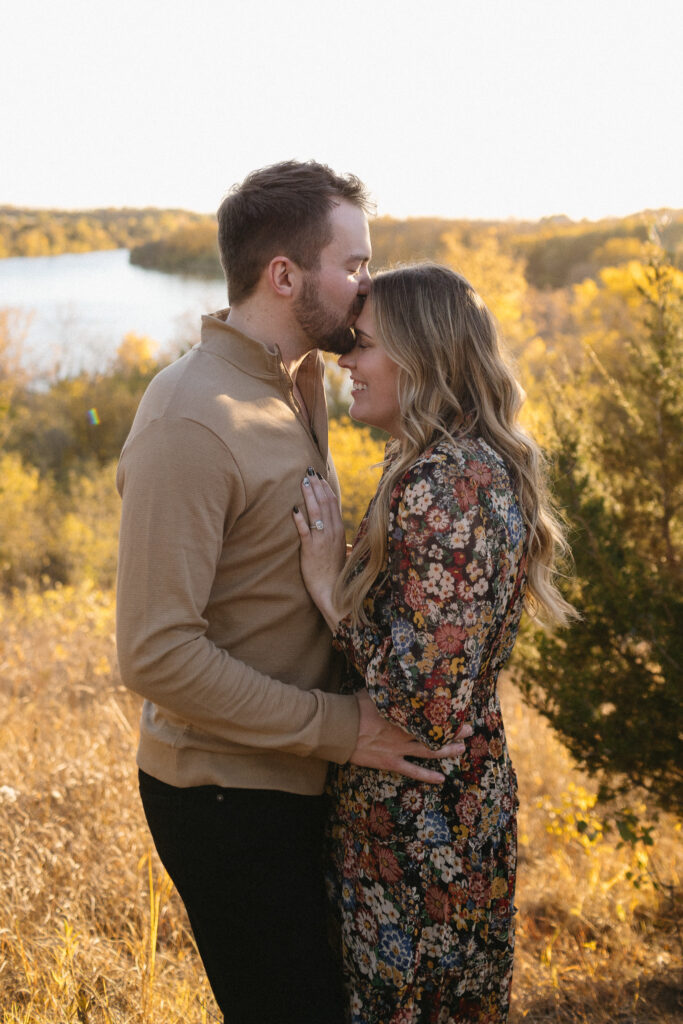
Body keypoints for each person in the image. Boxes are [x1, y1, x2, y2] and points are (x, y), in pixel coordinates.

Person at [116, 164, 469, 1024]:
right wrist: (342, 730)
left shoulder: (296, 385)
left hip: (297, 779)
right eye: (354, 265)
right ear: (284, 275)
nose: (368, 286)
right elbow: (154, 652)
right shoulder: (192, 418)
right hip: (226, 798)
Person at [293, 263, 577, 1024]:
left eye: (363, 344)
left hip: (417, 820)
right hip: (460, 800)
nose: (346, 361)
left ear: (422, 357)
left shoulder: (441, 485)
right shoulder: (477, 466)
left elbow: (421, 703)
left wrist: (326, 589)